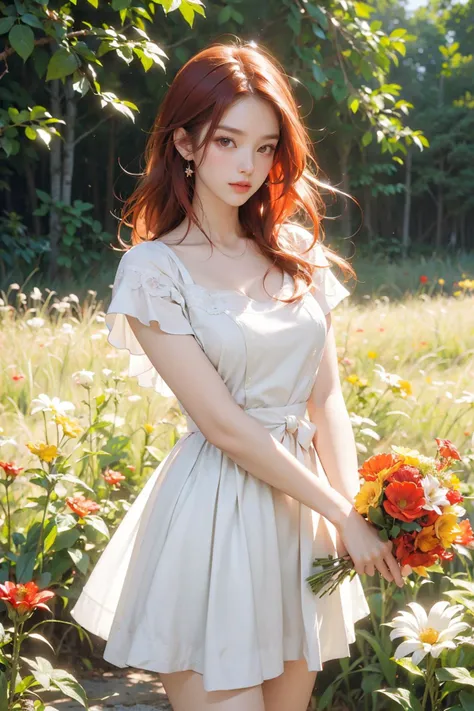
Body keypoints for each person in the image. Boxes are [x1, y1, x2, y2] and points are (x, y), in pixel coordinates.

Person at [70, 40, 408, 711]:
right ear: (187, 143)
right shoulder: (153, 270)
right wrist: (339, 508)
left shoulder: (296, 254)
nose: (248, 166)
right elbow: (223, 424)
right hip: (214, 516)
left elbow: (326, 396)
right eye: (228, 141)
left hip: (299, 519)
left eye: (264, 146)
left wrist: (354, 517)